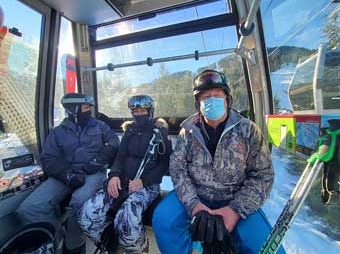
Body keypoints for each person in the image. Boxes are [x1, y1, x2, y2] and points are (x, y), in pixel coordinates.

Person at [152, 70, 286, 254]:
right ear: (198, 104)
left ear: (227, 100)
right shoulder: (188, 132)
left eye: (217, 95)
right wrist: (194, 205)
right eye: (205, 97)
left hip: (236, 199)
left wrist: (235, 211)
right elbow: (178, 168)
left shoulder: (248, 130)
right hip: (196, 194)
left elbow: (262, 176)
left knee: (267, 246)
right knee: (163, 219)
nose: (211, 100)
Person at [17, 93, 120, 254]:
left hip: (93, 173)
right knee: (30, 208)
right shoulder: (57, 132)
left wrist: (98, 161)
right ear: (73, 109)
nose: (88, 111)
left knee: (78, 201)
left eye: (89, 108)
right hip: (66, 173)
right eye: (85, 108)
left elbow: (114, 143)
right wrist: (67, 175)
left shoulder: (100, 126)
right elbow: (48, 158)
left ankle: (74, 244)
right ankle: (57, 239)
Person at [77, 95, 172, 254]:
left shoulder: (160, 132)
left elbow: (165, 162)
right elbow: (120, 157)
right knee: (86, 215)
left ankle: (138, 249)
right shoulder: (130, 131)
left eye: (142, 111)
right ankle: (112, 245)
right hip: (122, 181)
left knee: (126, 219)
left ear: (150, 111)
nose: (138, 114)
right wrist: (113, 176)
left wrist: (144, 181)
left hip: (147, 185)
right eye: (135, 111)